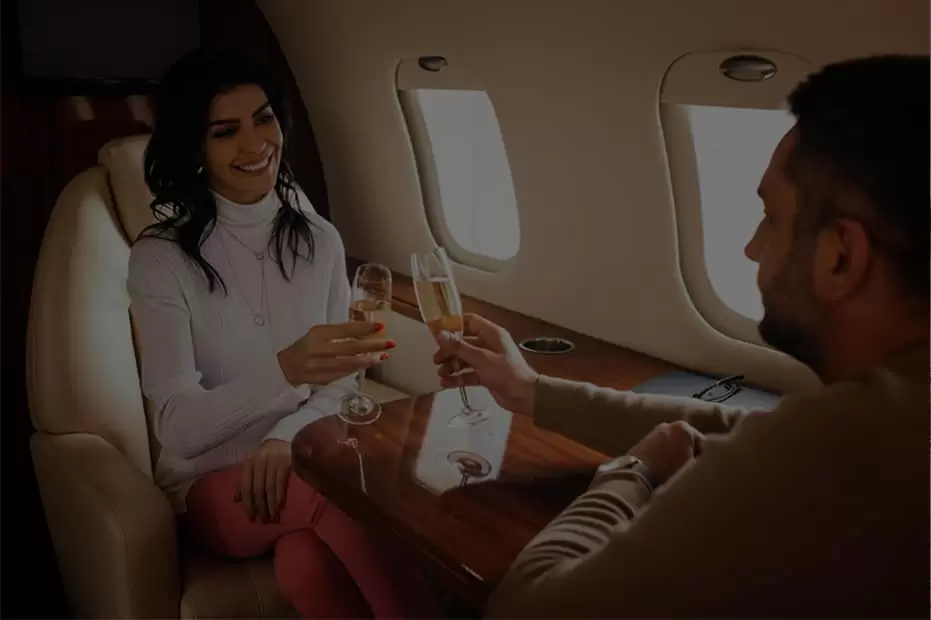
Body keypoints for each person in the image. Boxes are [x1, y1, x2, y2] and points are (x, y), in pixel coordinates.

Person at [433, 54, 929, 618]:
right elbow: (742, 430)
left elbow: (525, 610)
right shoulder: (896, 416)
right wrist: (530, 391)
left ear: (841, 257)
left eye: (770, 216)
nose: (750, 247)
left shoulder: (852, 450)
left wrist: (631, 473)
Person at [127, 48, 436, 618]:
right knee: (341, 489)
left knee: (306, 565)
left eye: (264, 119)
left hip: (301, 460)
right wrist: (286, 371)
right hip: (209, 483)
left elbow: (345, 385)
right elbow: (177, 427)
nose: (256, 143)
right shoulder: (159, 259)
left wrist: (284, 438)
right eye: (226, 131)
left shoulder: (320, 240)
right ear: (196, 147)